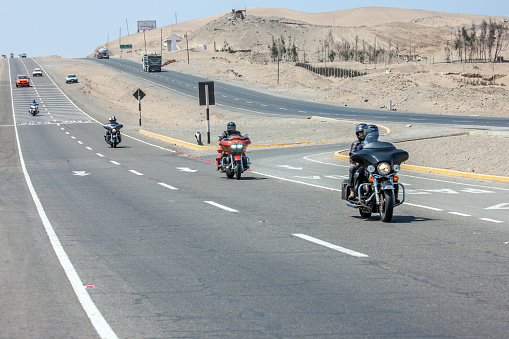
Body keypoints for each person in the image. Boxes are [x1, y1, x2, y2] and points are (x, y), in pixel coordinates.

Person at [347, 123, 367, 199]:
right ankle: (353, 191)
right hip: (361, 164)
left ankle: (393, 196)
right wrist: (356, 160)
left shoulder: (373, 143)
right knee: (353, 169)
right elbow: (352, 154)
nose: (362, 134)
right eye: (360, 132)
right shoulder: (356, 144)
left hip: (371, 165)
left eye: (364, 132)